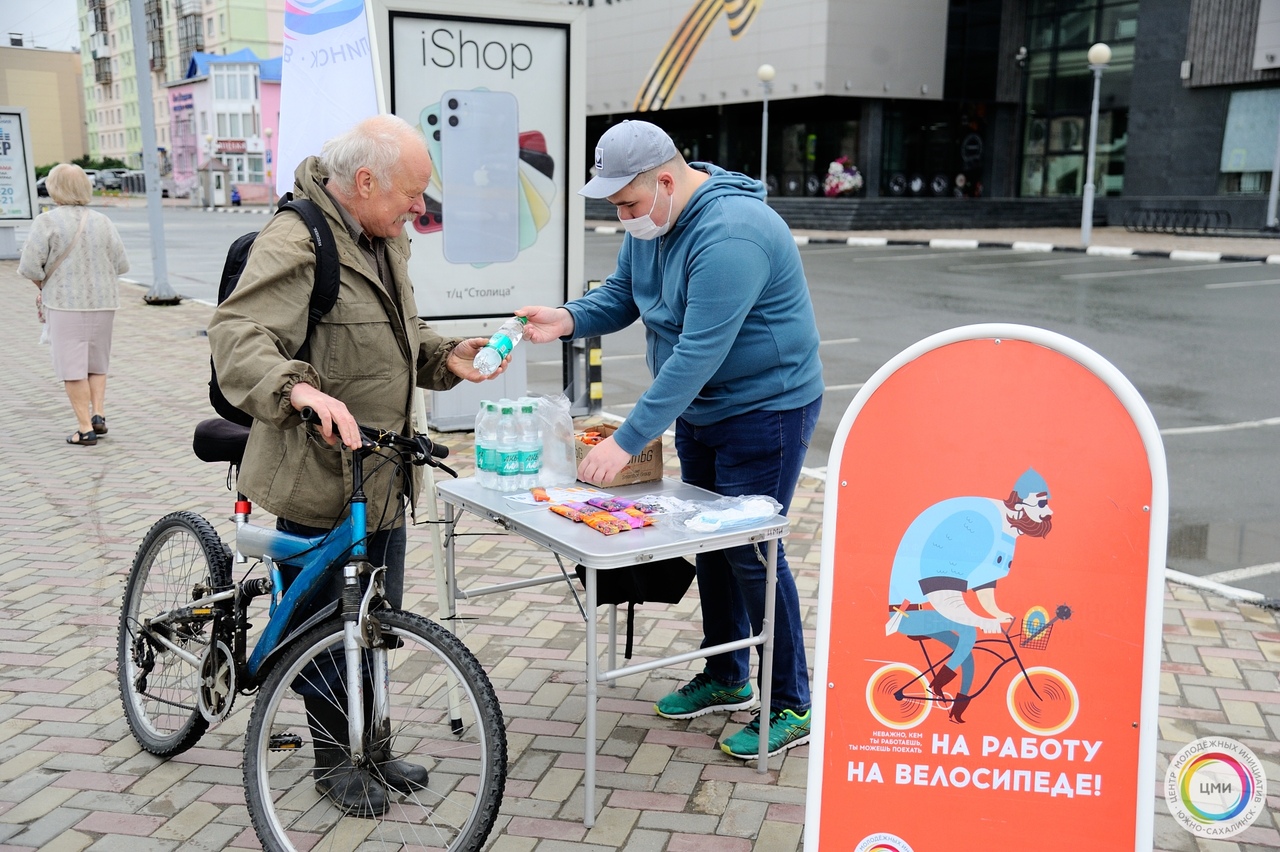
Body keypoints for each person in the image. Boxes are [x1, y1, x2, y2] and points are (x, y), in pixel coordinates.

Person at [207, 114, 506, 815]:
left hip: (384, 472)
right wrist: (299, 388)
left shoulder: (382, 238)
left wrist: (444, 356)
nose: (419, 208)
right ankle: (333, 762)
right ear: (365, 181)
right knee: (322, 632)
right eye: (412, 192)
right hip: (319, 474)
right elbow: (238, 335)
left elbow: (397, 333)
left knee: (372, 622)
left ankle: (372, 745)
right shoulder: (298, 237)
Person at [518, 120, 824, 759]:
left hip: (766, 408)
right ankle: (727, 673)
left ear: (665, 179)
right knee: (706, 540)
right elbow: (624, 296)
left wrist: (626, 441)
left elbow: (698, 353)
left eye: (627, 203)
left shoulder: (732, 234)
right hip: (704, 407)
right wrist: (569, 316)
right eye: (614, 207)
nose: (622, 216)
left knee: (753, 552)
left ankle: (792, 700)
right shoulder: (650, 224)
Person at [884, 469, 1054, 723]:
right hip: (906, 612)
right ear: (1020, 504)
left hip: (924, 604)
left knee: (968, 655)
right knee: (969, 632)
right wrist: (982, 620)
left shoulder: (1005, 526)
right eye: (1041, 503)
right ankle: (936, 685)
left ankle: (957, 710)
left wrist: (995, 611)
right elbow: (943, 592)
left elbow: (985, 576)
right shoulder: (976, 523)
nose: (1048, 512)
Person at [19, 163, 129, 446]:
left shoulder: (47, 222)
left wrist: (45, 286)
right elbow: (120, 264)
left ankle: (84, 429)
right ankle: (99, 415)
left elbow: (31, 267)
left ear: (54, 188)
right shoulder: (103, 221)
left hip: (65, 303)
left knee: (72, 368)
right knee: (97, 362)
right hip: (104, 302)